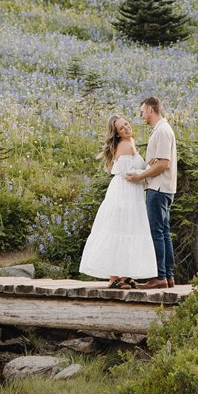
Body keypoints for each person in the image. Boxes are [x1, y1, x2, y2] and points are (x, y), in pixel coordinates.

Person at [77, 116, 158, 286]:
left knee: (127, 230)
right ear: (118, 134)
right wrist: (150, 168)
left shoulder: (131, 142)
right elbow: (129, 174)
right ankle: (114, 277)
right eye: (122, 128)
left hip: (131, 193)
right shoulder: (125, 145)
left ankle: (123, 275)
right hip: (124, 193)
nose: (127, 128)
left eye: (126, 124)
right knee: (121, 229)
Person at [122, 95, 177, 288]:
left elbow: (163, 163)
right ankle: (168, 277)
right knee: (164, 231)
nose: (141, 115)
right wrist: (150, 164)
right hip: (165, 188)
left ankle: (159, 277)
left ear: (151, 110)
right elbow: (159, 161)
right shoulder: (162, 129)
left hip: (158, 187)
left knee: (156, 232)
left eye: (143, 111)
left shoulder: (162, 131)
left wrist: (140, 175)